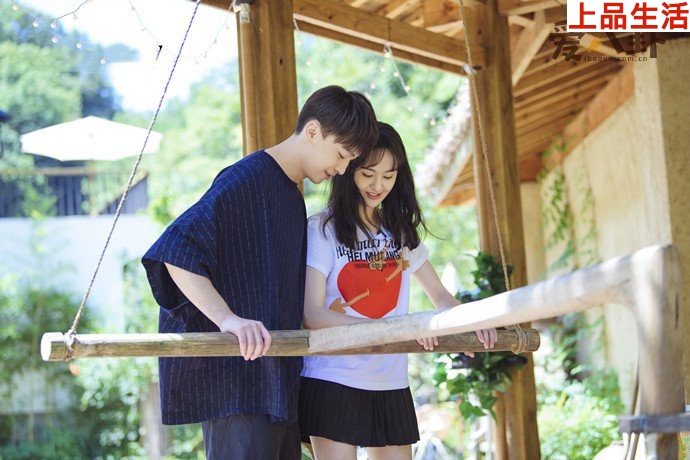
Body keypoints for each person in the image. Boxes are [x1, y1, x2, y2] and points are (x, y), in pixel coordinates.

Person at [141, 85, 379, 460]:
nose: (342, 170)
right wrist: (228, 319)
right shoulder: (246, 179)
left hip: (276, 386)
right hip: (239, 387)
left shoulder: (293, 195)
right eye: (340, 155)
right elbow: (174, 250)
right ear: (313, 131)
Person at [298, 122, 498, 460]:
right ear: (348, 170)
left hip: (389, 381)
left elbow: (440, 297)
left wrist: (472, 320)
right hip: (332, 378)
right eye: (368, 174)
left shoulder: (400, 233)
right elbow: (313, 315)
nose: (378, 186)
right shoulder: (322, 229)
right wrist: (396, 330)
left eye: (388, 176)